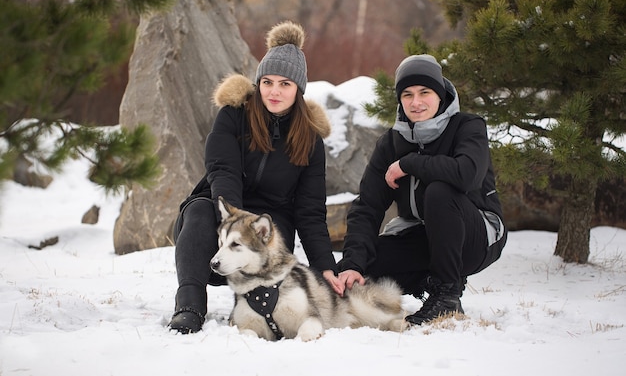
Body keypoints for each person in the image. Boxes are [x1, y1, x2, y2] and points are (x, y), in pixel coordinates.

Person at [169, 21, 343, 334]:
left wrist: (326, 267)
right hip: (223, 207)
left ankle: (253, 308)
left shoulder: (310, 139)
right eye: (268, 82)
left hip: (270, 222)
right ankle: (189, 304)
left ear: (299, 89)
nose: (274, 91)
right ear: (258, 82)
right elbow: (223, 169)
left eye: (285, 84)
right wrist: (234, 221)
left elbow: (310, 210)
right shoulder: (234, 114)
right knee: (196, 211)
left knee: (274, 234)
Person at [337, 54, 507, 325]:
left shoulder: (468, 127)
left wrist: (409, 163)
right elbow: (367, 206)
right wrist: (352, 264)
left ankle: (447, 294)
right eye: (407, 94)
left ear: (440, 95)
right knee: (359, 275)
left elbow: (466, 175)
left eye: (424, 92)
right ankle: (427, 279)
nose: (415, 103)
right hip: (422, 238)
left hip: (476, 239)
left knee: (440, 191)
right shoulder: (391, 142)